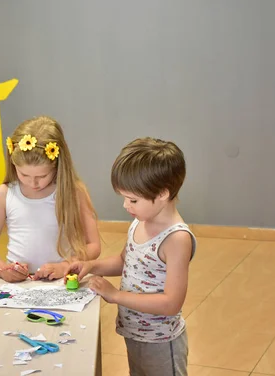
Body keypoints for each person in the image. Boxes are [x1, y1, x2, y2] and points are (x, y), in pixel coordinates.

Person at [67, 137, 196, 376]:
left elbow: (171, 303)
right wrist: (91, 265)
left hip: (160, 341)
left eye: (133, 200)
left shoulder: (176, 239)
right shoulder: (139, 221)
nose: (126, 205)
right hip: (135, 332)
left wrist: (115, 295)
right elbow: (125, 261)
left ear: (162, 194)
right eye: (124, 198)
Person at [0, 115, 101, 282]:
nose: (33, 182)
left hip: (61, 280)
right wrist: (3, 270)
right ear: (13, 165)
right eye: (24, 174)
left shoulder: (74, 192)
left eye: (42, 175)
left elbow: (93, 245)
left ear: (58, 165)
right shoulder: (3, 195)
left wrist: (65, 265)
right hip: (19, 284)